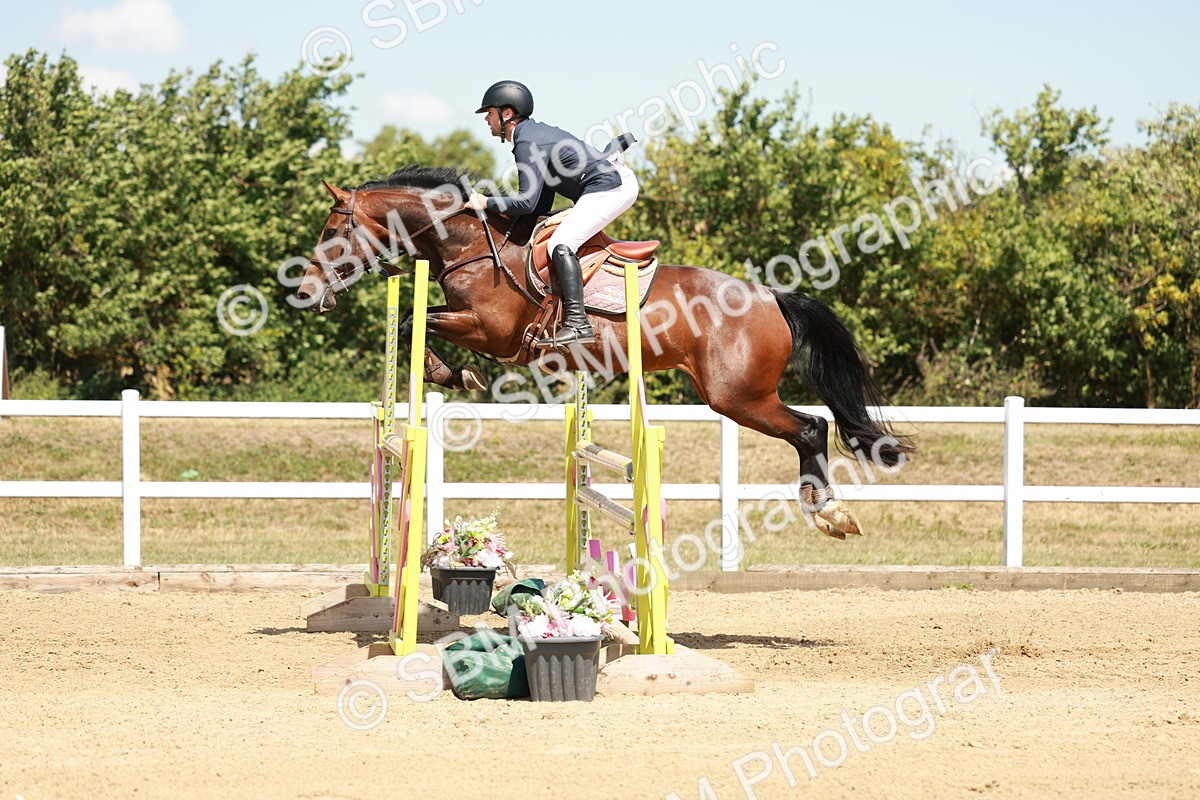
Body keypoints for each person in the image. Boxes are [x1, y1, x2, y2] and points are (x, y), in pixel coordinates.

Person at [465, 80, 639, 348]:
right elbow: (537, 206)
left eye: (489, 112)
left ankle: (578, 324)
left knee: (561, 243)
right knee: (551, 235)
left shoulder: (527, 141)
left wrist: (486, 203)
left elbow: (525, 202)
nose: (487, 119)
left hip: (612, 186)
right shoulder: (530, 136)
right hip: (606, 184)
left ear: (507, 114)